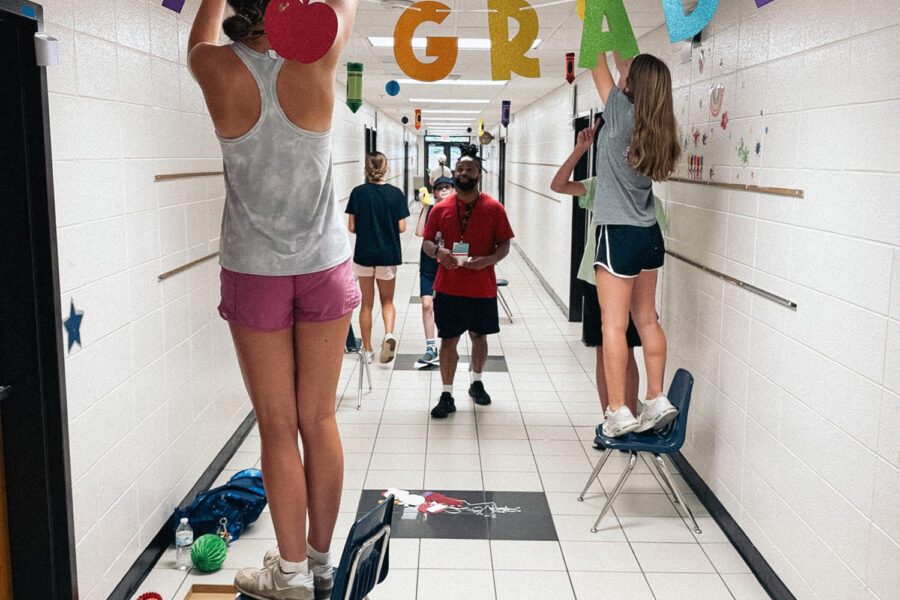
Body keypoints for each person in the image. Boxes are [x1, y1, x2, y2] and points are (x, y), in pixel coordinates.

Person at [188, 1, 358, 598]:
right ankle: (320, 564)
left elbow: (198, 38)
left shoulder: (212, 68)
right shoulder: (318, 61)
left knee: (278, 426)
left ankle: (286, 576)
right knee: (320, 417)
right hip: (324, 266)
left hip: (253, 270)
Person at [580, 49, 681, 437]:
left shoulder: (620, 114)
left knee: (614, 326)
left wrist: (599, 24)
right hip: (648, 234)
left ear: (632, 85)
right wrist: (625, 47)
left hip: (617, 233)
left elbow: (596, 63)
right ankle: (656, 399)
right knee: (647, 319)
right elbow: (626, 69)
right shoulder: (660, 126)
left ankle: (618, 409)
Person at [551, 124, 641, 419]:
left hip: (628, 280)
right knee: (604, 351)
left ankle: (629, 417)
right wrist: (580, 149)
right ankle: (611, 418)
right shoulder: (600, 185)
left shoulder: (643, 191)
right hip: (595, 277)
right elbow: (558, 185)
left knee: (625, 352)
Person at [422, 150, 514, 418]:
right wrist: (439, 253)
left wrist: (488, 260)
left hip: (481, 286)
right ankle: (447, 393)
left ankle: (477, 382)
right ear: (454, 174)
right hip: (449, 286)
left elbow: (505, 244)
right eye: (460, 170)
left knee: (479, 336)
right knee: (448, 339)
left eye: (469, 170)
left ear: (478, 175)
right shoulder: (440, 209)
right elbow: (427, 242)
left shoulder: (494, 209)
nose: (463, 174)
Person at [346, 152, 410, 364]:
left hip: (364, 254)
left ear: (366, 168)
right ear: (386, 168)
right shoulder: (395, 194)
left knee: (366, 304)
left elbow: (352, 227)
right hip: (388, 254)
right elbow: (402, 227)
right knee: (388, 301)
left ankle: (368, 349)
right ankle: (389, 335)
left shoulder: (358, 193)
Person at [414, 176, 455, 367]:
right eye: (440, 188)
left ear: (454, 190)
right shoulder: (430, 209)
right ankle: (431, 347)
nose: (444, 191)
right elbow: (419, 233)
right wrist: (424, 207)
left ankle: (448, 345)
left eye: (448, 187)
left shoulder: (458, 211)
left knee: (446, 307)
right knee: (426, 303)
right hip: (429, 265)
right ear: (435, 193)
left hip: (449, 265)